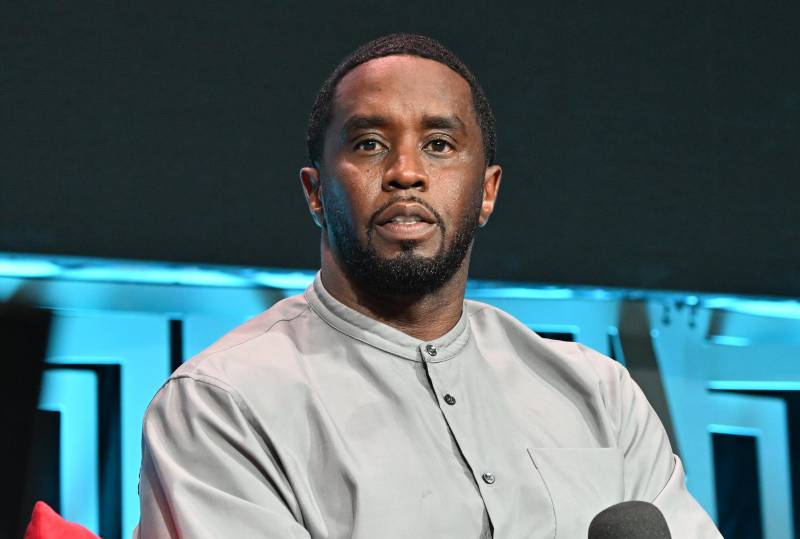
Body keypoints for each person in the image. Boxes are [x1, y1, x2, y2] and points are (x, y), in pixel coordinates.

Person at [137, 34, 721, 538]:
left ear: (487, 191)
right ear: (315, 192)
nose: (406, 172)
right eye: (369, 143)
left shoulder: (599, 396)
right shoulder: (223, 403)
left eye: (439, 145)